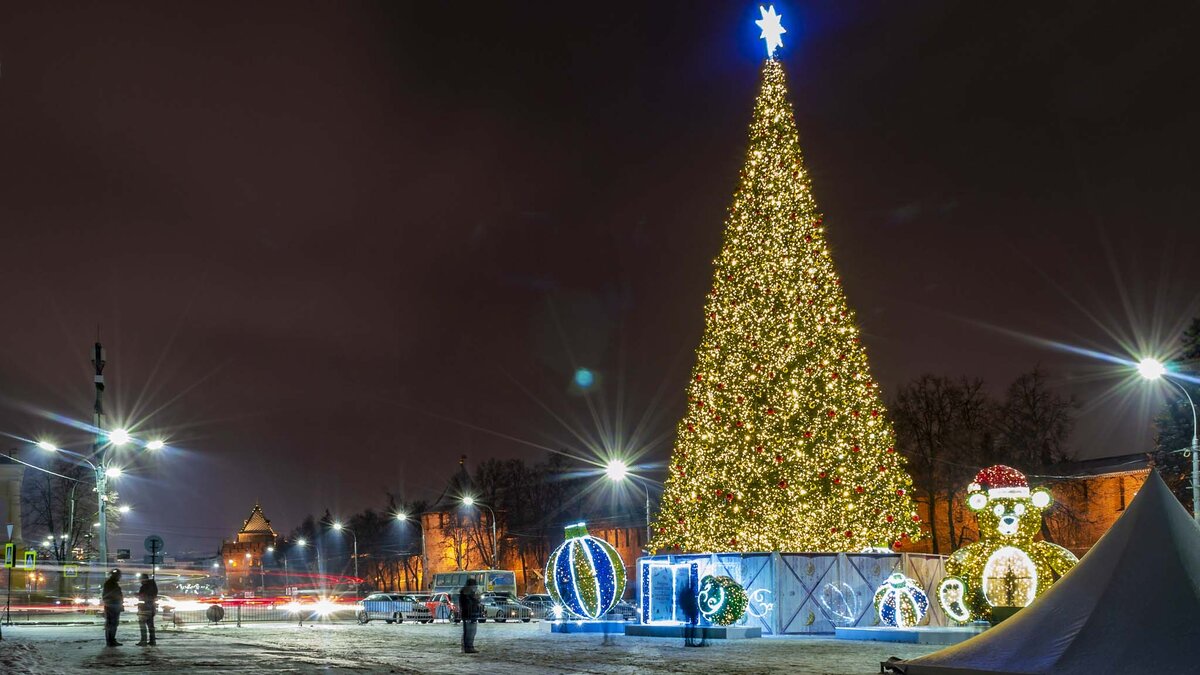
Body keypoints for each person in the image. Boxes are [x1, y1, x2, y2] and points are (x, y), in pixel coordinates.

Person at [102, 569, 124, 647]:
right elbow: (112, 595)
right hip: (112, 607)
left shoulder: (111, 583)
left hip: (112, 606)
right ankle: (111, 641)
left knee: (111, 624)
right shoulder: (111, 584)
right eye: (119, 575)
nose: (120, 577)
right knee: (112, 624)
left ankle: (111, 641)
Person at [136, 573, 159, 646]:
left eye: (140, 579)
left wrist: (138, 595)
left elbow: (143, 597)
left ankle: (143, 641)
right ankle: (152, 641)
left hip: (144, 608)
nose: (140, 581)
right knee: (150, 625)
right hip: (151, 608)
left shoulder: (144, 587)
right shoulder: (152, 586)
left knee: (142, 625)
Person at [458, 578, 480, 654]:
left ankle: (470, 646)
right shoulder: (465, 594)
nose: (475, 588)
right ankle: (467, 647)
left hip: (472, 615)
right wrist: (475, 600)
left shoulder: (470, 594)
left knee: (472, 632)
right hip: (468, 615)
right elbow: (467, 605)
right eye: (474, 586)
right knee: (468, 632)